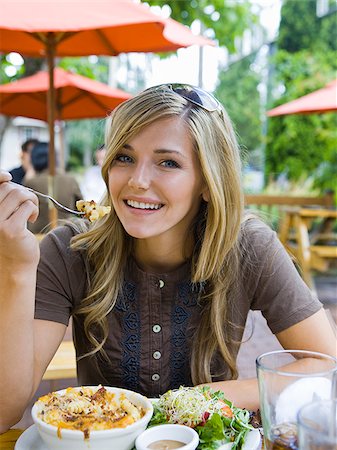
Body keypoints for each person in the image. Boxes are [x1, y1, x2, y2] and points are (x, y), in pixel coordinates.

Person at [0, 84, 336, 432]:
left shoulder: (248, 247)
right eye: (124, 157)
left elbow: (327, 367)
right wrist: (17, 269)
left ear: (208, 182)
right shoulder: (70, 249)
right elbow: (4, 413)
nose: (138, 181)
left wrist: (212, 397)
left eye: (168, 162)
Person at [23, 142, 83, 233]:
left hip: (37, 237)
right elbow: (81, 209)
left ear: (34, 160)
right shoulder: (70, 180)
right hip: (65, 235)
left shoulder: (31, 182)